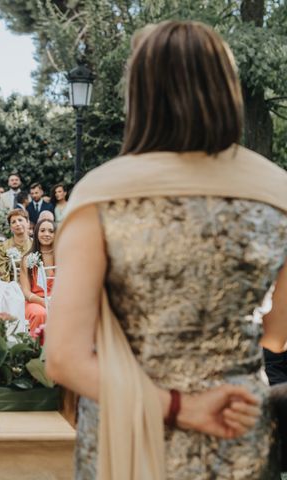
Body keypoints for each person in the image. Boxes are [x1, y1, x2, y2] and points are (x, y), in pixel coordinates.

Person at [45, 21, 286, 479]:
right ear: (227, 88)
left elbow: (64, 359)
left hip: (130, 438)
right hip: (239, 433)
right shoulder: (278, 193)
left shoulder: (102, 193)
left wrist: (183, 406)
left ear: (141, 95)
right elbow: (276, 337)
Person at [19, 219, 55, 333]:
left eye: (51, 231)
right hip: (35, 301)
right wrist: (43, 302)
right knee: (41, 314)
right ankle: (38, 349)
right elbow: (25, 292)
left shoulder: (62, 256)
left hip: (58, 300)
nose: (46, 234)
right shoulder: (27, 259)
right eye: (42, 230)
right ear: (36, 233)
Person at [0, 209, 32, 282]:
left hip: (33, 285)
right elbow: (2, 272)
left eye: (20, 220)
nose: (17, 224)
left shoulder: (35, 244)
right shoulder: (4, 246)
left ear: (28, 223)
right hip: (13, 285)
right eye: (13, 222)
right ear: (10, 227)